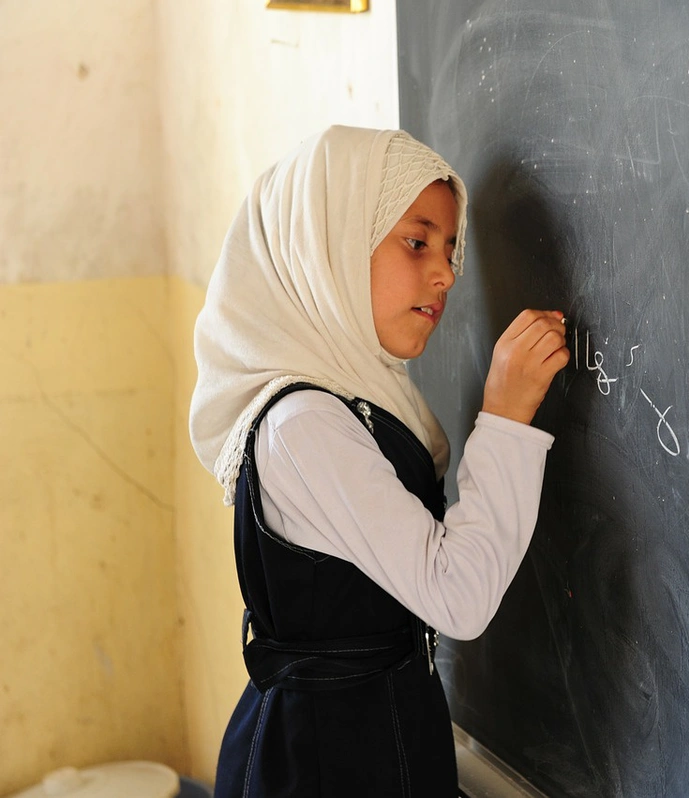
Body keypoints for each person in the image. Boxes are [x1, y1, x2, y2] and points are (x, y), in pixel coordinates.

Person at [188, 125, 569, 797]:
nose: (447, 271)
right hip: (323, 766)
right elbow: (456, 596)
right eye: (416, 241)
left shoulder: (352, 403)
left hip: (368, 745)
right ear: (326, 245)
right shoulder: (303, 426)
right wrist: (506, 418)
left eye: (451, 247)